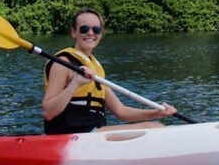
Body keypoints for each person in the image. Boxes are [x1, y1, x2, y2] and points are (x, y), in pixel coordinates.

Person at [42, 8, 177, 134]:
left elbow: (121, 111)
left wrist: (157, 113)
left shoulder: (95, 68)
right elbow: (48, 112)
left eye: (96, 29)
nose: (90, 33)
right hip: (70, 134)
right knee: (155, 129)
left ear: (101, 34)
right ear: (74, 32)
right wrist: (75, 84)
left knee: (156, 124)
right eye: (84, 29)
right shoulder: (63, 63)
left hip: (93, 133)